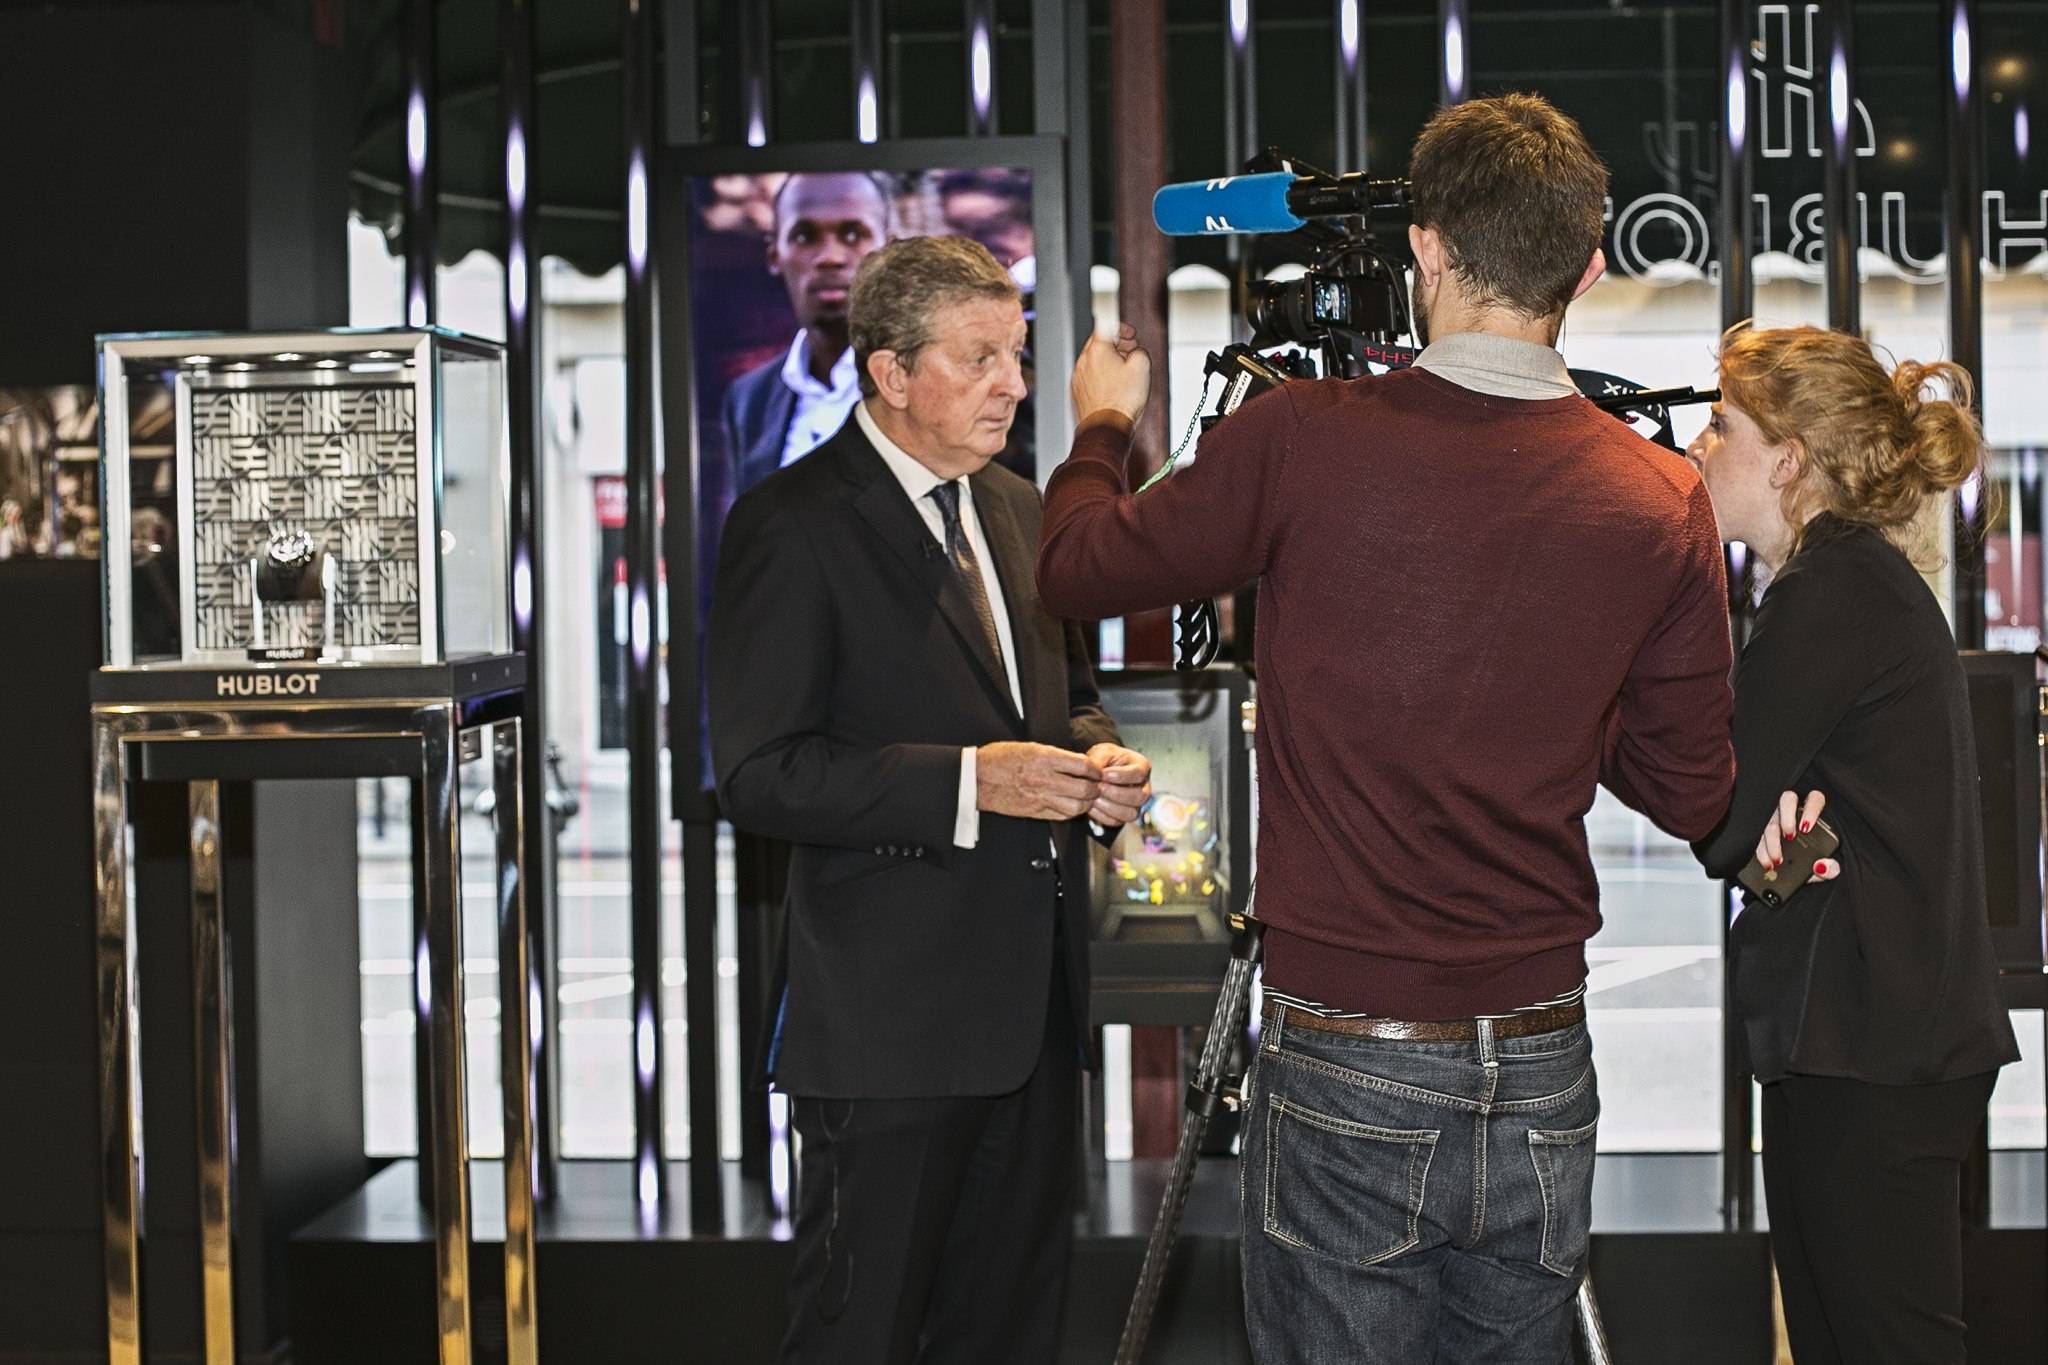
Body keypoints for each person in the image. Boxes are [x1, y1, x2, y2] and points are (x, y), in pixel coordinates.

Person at [1036, 93, 1737, 1362]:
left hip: (1345, 1044)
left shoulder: (1299, 439)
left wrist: (1098, 422)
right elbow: (1691, 789)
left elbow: (1077, 567)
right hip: (1539, 1053)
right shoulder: (1660, 495)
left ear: (1422, 248)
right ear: (1585, 268)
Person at [708, 233, 1153, 1365]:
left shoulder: (1018, 509)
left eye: (1016, 354)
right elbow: (758, 772)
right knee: (858, 1333)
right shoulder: (791, 523)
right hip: (886, 1033)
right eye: (979, 358)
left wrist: (1098, 765)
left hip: (1033, 1024)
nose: (1012, 382)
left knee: (1009, 1332)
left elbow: (1073, 698)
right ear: (889, 375)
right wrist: (969, 782)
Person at [1685, 325, 2019, 1365]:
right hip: (1868, 1038)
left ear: (1787, 461)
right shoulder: (1842, 583)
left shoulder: (1830, 592)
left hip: (1871, 1047)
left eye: (1719, 424)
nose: (1697, 446)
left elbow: (1718, 811)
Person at [722, 171, 893, 496]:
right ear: (774, 254)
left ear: (888, 250)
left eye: (854, 235)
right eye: (804, 237)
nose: (830, 257)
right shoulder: (749, 400)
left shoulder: (935, 380)